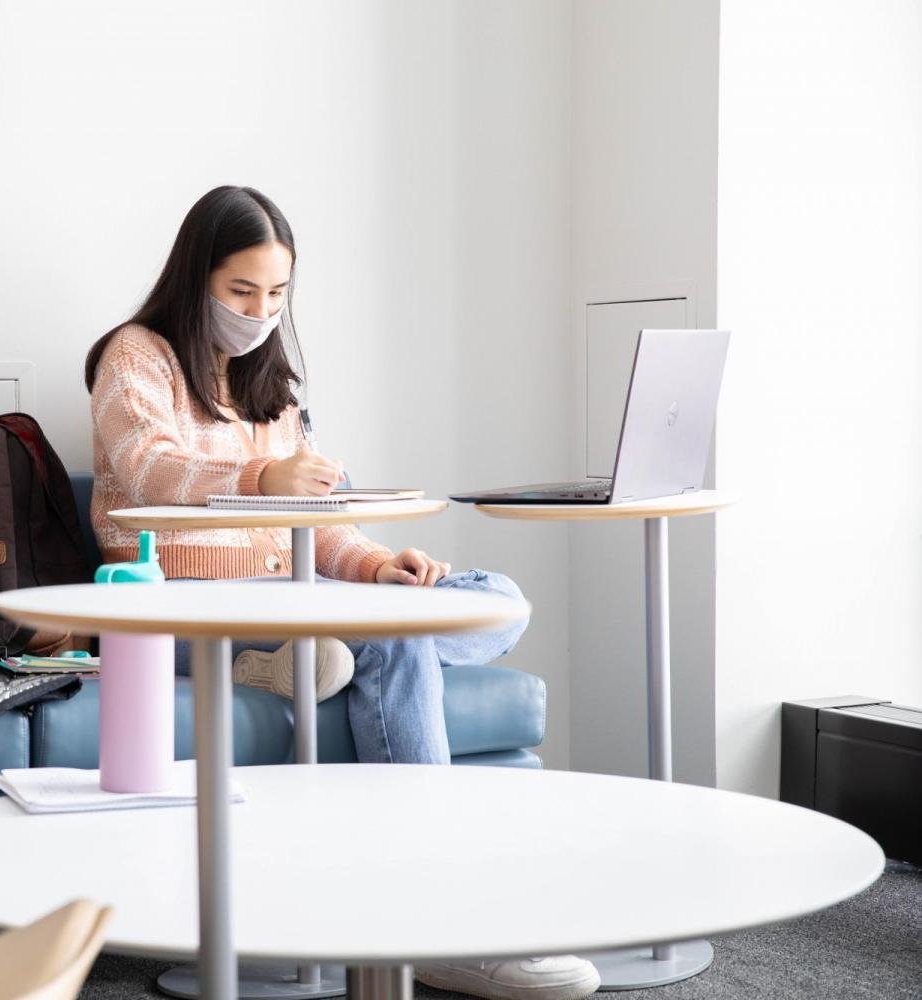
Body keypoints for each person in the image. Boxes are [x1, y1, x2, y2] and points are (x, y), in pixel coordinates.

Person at [83, 184, 599, 1000]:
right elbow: (148, 467)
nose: (260, 311)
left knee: (495, 594)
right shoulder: (134, 356)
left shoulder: (270, 384)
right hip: (181, 605)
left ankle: (299, 654)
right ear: (197, 278)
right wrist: (259, 473)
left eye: (277, 293)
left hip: (295, 592)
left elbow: (318, 521)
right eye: (241, 291)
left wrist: (374, 570)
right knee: (395, 639)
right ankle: (429, 915)